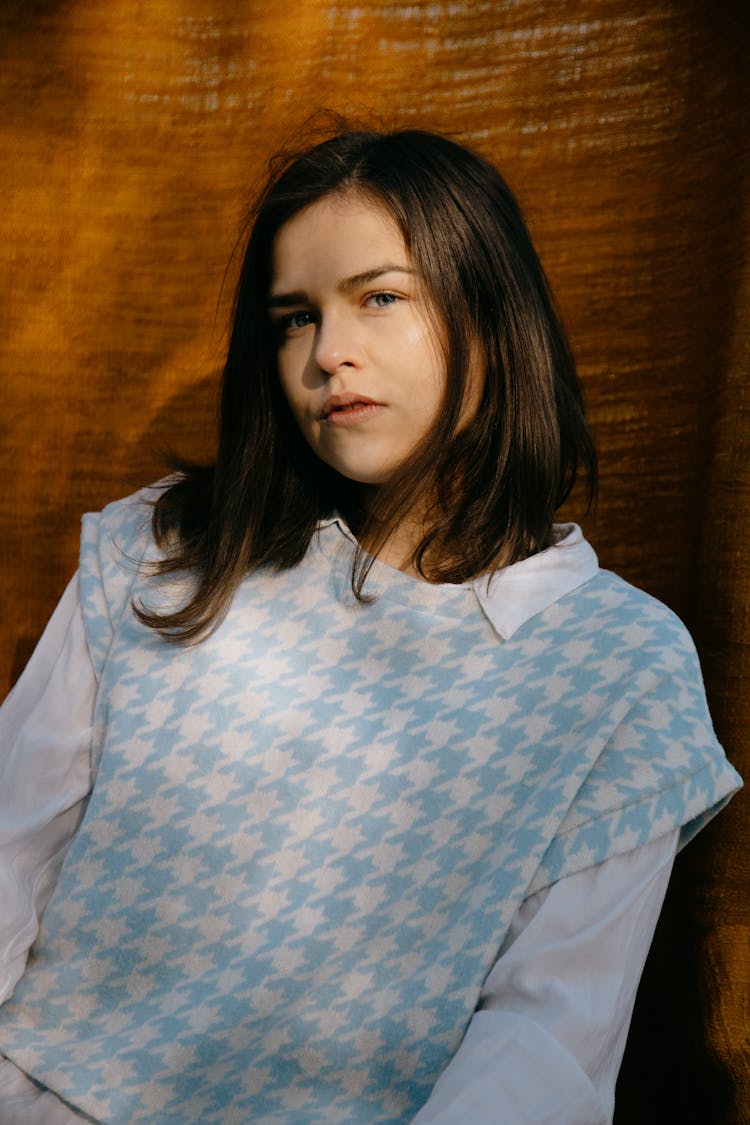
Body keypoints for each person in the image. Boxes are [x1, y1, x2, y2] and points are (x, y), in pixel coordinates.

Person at [0, 128, 741, 1125]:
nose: (326, 353)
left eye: (379, 297)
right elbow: (10, 846)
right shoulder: (169, 550)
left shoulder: (619, 664)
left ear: (489, 304)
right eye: (294, 317)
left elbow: (546, 1042)